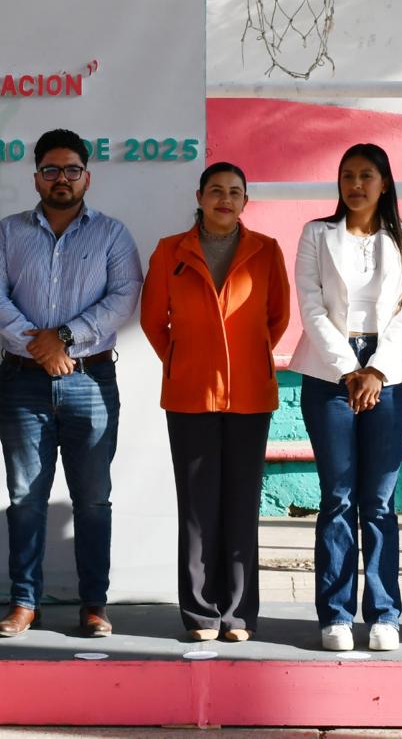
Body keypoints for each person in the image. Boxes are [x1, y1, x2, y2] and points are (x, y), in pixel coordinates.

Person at [0, 128, 143, 638]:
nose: (61, 179)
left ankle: (94, 604)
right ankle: (24, 601)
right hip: (22, 383)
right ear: (36, 178)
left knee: (92, 498)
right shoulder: (9, 232)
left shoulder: (112, 234)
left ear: (87, 177)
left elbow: (124, 296)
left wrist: (64, 339)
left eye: (72, 170)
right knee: (25, 497)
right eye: (51, 170)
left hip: (91, 381)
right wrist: (41, 347)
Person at [139, 163, 290, 642]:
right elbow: (152, 320)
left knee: (242, 503)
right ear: (200, 197)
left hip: (250, 394)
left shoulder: (266, 250)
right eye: (217, 191)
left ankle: (239, 614)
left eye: (235, 192)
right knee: (197, 507)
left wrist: (247, 358)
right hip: (190, 393)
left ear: (245, 200)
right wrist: (184, 360)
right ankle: (202, 613)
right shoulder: (171, 251)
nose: (226, 199)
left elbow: (277, 317)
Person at [290, 143, 402, 652]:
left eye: (366, 175)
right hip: (330, 372)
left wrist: (377, 370)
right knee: (339, 496)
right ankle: (336, 615)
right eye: (347, 175)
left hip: (390, 372)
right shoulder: (316, 234)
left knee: (380, 500)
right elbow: (310, 305)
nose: (356, 184)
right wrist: (351, 369)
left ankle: (385, 614)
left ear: (384, 182)